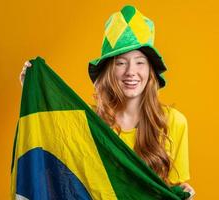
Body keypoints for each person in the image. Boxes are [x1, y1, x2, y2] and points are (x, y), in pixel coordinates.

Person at [19, 5, 195, 199]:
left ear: (150, 71)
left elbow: (173, 187)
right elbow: (54, 159)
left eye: (140, 62)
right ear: (109, 71)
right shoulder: (90, 123)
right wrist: (32, 91)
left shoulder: (173, 122)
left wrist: (185, 191)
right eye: (120, 62)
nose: (131, 72)